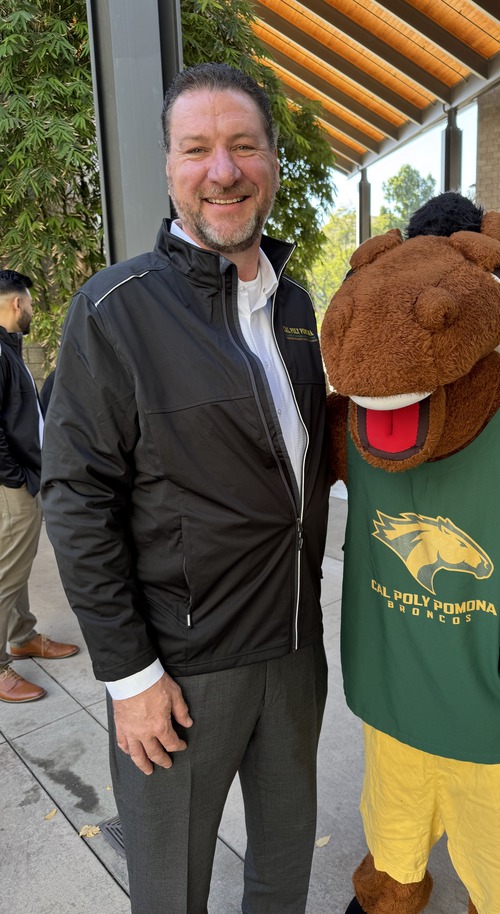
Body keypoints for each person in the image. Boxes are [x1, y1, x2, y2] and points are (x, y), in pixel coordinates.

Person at [41, 63, 329, 914]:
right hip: (179, 669)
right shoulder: (114, 310)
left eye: (243, 146)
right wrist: (129, 677)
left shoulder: (297, 309)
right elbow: (76, 499)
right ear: (170, 167)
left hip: (291, 649)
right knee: (172, 890)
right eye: (197, 149)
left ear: (273, 161)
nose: (223, 170)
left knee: (282, 868)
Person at [0, 271, 79, 704]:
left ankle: (22, 635)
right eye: (28, 302)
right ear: (16, 303)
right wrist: (16, 476)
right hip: (11, 485)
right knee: (5, 574)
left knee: (17, 567)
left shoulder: (8, 351)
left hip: (21, 479)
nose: (32, 310)